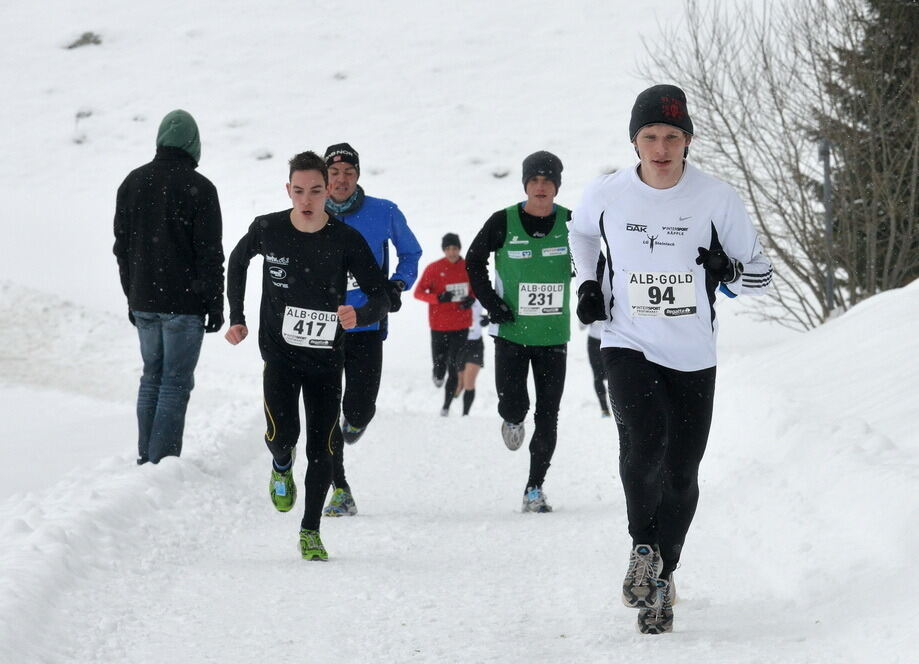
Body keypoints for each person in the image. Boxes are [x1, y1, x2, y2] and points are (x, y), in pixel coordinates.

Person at [569, 84, 773, 634]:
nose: (661, 148)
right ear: (635, 141)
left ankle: (664, 571)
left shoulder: (716, 198)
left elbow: (761, 275)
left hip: (691, 351)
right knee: (644, 439)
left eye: (672, 137)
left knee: (682, 471)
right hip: (626, 339)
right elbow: (582, 233)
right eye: (650, 137)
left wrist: (727, 270)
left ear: (688, 141)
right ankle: (642, 545)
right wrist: (587, 284)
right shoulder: (606, 193)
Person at [224, 151, 389, 561]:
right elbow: (237, 262)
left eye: (316, 190)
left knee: (323, 446)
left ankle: (310, 530)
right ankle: (281, 466)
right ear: (289, 190)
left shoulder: (346, 240)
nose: (307, 199)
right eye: (299, 191)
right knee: (283, 438)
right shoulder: (269, 229)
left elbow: (381, 294)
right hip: (279, 357)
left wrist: (361, 313)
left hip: (326, 360)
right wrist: (238, 316)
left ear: (327, 191)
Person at [113, 109, 224, 466]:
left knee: (151, 378)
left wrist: (132, 294)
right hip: (185, 304)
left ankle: (146, 457)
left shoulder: (132, 182)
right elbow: (209, 253)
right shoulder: (200, 189)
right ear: (193, 145)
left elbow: (122, 246)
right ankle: (161, 464)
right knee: (175, 382)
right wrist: (215, 303)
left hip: (144, 299)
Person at [466, 151, 571, 514]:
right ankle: (511, 418)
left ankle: (534, 487)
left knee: (549, 413)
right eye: (535, 181)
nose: (541, 187)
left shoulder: (572, 223)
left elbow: (599, 261)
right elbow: (473, 260)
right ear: (525, 184)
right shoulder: (503, 221)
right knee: (515, 403)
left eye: (548, 181)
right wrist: (492, 303)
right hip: (510, 332)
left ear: (557, 185)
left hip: (554, 335)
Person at [320, 143, 422, 518]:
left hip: (366, 322)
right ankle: (340, 489)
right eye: (334, 173)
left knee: (359, 408)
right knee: (325, 410)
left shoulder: (384, 211)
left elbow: (411, 252)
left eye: (349, 172)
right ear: (325, 177)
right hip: (322, 326)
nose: (342, 180)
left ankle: (357, 419)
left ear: (358, 176)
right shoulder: (311, 213)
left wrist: (396, 285)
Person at [413, 233, 476, 416]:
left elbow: (477, 290)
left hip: (461, 324)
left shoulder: (468, 267)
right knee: (440, 363)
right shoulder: (434, 268)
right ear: (444, 250)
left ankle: (446, 405)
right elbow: (418, 292)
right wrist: (437, 298)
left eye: (455, 248)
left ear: (459, 248)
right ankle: (437, 374)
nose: (452, 252)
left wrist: (471, 299)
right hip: (439, 325)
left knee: (454, 365)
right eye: (448, 249)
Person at [454, 300, 489, 416]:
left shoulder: (479, 293)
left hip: (475, 344)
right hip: (458, 343)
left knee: (469, 382)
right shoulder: (457, 291)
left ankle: (465, 414)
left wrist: (488, 318)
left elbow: (493, 306)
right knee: (460, 384)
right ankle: (447, 407)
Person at [585, 320, 611, 417]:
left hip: (611, 339)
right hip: (594, 341)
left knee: (613, 376)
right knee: (598, 376)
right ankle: (604, 409)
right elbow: (582, 325)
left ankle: (619, 409)